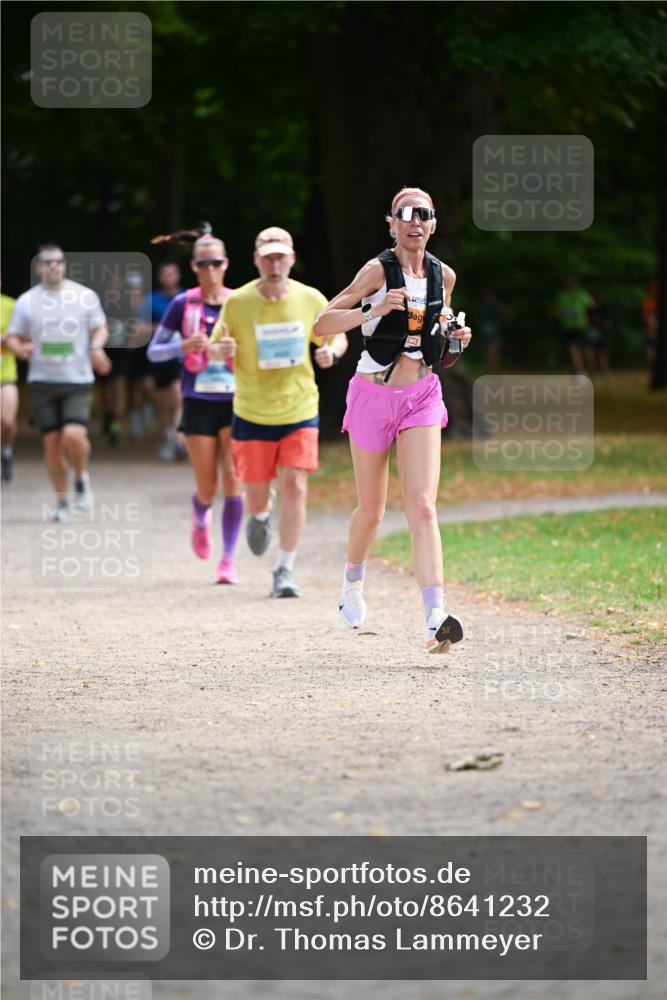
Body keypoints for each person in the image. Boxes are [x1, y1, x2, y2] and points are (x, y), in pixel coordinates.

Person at [313, 187, 472, 654]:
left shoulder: (444, 278)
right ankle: (352, 582)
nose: (414, 222)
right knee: (373, 511)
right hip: (373, 395)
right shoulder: (376, 271)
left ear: (433, 223)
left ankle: (435, 616)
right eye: (405, 215)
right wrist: (373, 308)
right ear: (392, 224)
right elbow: (323, 323)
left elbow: (440, 349)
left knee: (422, 506)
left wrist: (457, 340)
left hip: (422, 394)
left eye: (423, 214)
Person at [209, 227, 348, 597]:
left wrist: (331, 352)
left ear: (291, 258)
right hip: (252, 412)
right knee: (255, 496)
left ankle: (284, 569)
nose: (274, 263)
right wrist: (219, 351)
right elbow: (214, 347)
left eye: (280, 256)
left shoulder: (310, 298)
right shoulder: (237, 303)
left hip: (300, 407)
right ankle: (260, 513)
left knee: (296, 484)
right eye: (267, 257)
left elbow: (338, 334)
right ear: (256, 260)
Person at [147, 231, 243, 584]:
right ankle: (200, 514)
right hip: (198, 401)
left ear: (226, 264)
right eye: (203, 263)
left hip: (236, 402)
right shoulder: (182, 304)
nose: (210, 268)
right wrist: (182, 346)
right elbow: (153, 351)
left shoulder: (241, 301)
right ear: (194, 266)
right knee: (208, 486)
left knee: (234, 480)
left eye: (216, 262)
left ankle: (228, 560)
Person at [6, 244, 110, 520]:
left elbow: (100, 328)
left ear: (64, 265)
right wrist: (20, 349)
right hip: (42, 380)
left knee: (74, 435)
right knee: (52, 443)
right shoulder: (27, 301)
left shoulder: (84, 296)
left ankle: (81, 476)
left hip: (77, 379)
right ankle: (62, 501)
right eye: (48, 262)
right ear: (39, 267)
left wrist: (96, 347)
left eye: (58, 262)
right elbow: (14, 337)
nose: (54, 266)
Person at [137, 261, 185, 461]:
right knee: (162, 403)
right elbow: (139, 328)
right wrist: (161, 329)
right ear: (160, 278)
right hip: (158, 358)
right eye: (165, 275)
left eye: (171, 274)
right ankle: (167, 435)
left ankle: (177, 437)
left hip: (181, 356)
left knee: (179, 395)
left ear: (178, 276)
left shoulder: (187, 297)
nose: (168, 278)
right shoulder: (150, 301)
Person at [553, 276, 594, 377]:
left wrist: (585, 314)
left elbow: (592, 306)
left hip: (582, 325)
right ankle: (579, 371)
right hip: (568, 326)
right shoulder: (562, 295)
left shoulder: (582, 294)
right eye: (567, 283)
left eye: (571, 282)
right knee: (573, 349)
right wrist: (563, 313)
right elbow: (556, 311)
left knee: (586, 349)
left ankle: (591, 369)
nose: (570, 285)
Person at [1, 288, 18, 481]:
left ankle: (6, 451)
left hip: (5, 375)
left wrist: (6, 339)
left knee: (7, 421)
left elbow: (23, 336)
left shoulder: (11, 305)